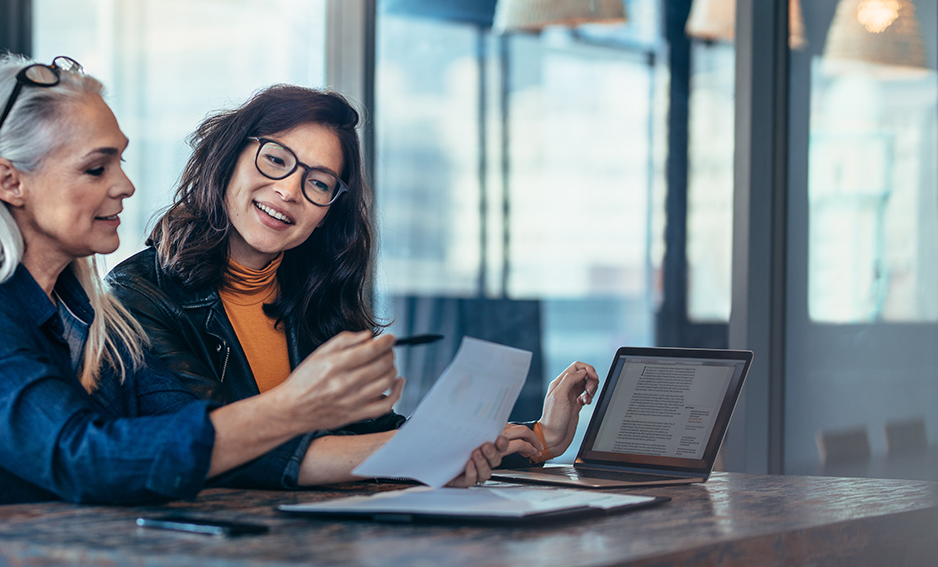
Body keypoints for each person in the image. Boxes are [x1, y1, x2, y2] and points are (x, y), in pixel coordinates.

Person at [0, 56, 506, 515]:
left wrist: (472, 444)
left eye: (120, 160)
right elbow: (87, 460)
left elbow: (163, 448)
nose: (125, 185)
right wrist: (295, 406)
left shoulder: (85, 313)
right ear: (10, 182)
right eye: (96, 168)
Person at [107, 85, 599, 483]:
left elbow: (373, 435)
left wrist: (540, 437)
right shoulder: (137, 295)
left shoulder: (316, 297)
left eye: (319, 183)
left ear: (327, 213)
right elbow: (214, 449)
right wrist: (424, 452)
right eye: (275, 160)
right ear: (228, 157)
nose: (289, 191)